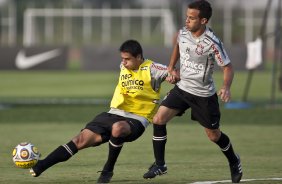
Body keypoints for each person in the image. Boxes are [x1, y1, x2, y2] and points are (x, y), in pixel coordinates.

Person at [29, 40, 174, 183]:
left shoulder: (153, 69)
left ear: (139, 57)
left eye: (127, 59)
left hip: (137, 119)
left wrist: (171, 88)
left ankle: (108, 170)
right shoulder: (124, 66)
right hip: (112, 114)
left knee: (118, 129)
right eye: (122, 59)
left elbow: (175, 75)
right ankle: (41, 165)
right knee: (79, 140)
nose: (124, 62)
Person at [143, 0, 243, 183]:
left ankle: (234, 160)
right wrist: (171, 68)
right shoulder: (182, 33)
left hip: (203, 96)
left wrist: (225, 87)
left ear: (203, 21)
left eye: (191, 18)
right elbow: (177, 47)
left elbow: (227, 67)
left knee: (214, 136)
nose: (187, 21)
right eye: (186, 17)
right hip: (182, 89)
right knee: (158, 119)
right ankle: (160, 164)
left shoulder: (212, 43)